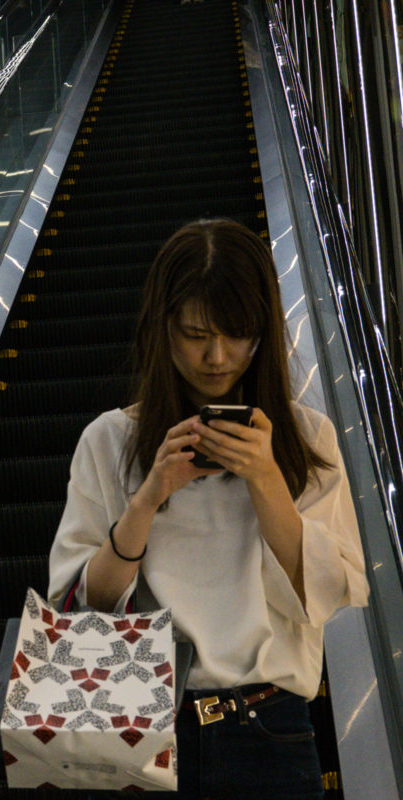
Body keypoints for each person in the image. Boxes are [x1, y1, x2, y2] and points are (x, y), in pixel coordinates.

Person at [48, 219, 369, 799]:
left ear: (264, 332)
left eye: (237, 334)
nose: (218, 357)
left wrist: (266, 477)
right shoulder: (110, 441)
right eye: (195, 333)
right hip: (136, 723)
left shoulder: (307, 439)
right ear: (162, 328)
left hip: (268, 727)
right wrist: (148, 497)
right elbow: (79, 605)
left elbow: (327, 592)